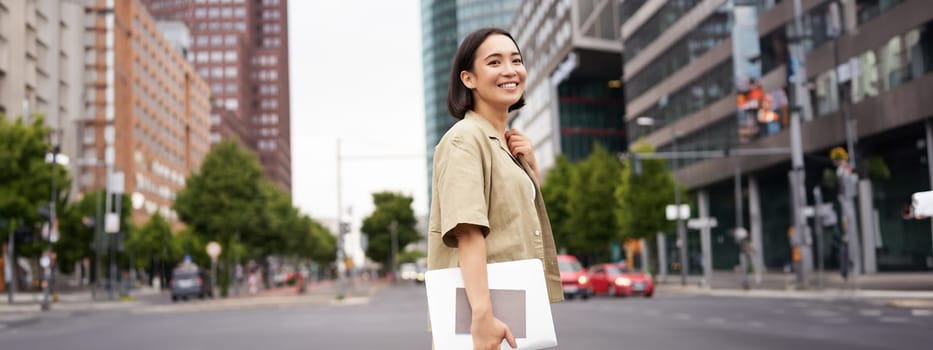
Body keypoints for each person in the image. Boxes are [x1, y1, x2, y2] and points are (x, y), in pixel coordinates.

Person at [427, 27, 562, 350]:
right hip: (485, 313)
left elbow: (517, 224)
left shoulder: (508, 146)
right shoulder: (465, 139)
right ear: (468, 78)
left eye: (516, 60)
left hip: (515, 304)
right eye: (494, 62)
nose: (510, 70)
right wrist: (482, 318)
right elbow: (468, 231)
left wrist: (531, 170)